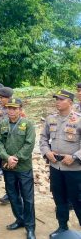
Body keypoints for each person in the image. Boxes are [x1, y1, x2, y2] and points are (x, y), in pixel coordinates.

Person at [39, 90, 81, 239]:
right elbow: (43, 138)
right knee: (59, 198)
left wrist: (75, 156)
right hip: (55, 167)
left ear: (70, 102)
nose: (57, 101)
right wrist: (46, 152)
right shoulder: (51, 119)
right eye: (56, 99)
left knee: (78, 200)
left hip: (74, 170)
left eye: (61, 99)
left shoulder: (79, 119)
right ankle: (62, 227)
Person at [0, 98, 36, 239]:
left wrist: (16, 158)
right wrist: (7, 157)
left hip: (23, 168)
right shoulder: (3, 123)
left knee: (28, 198)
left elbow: (29, 144)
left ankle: (30, 227)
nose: (11, 111)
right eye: (9, 108)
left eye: (15, 108)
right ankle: (20, 220)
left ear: (20, 109)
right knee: (13, 195)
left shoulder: (28, 124)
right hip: (8, 167)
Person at [0, 86, 14, 203]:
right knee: (7, 173)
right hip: (4, 148)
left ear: (8, 98)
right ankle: (9, 193)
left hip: (14, 147)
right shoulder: (2, 109)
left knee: (16, 174)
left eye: (1, 98)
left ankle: (17, 195)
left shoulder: (16, 110)